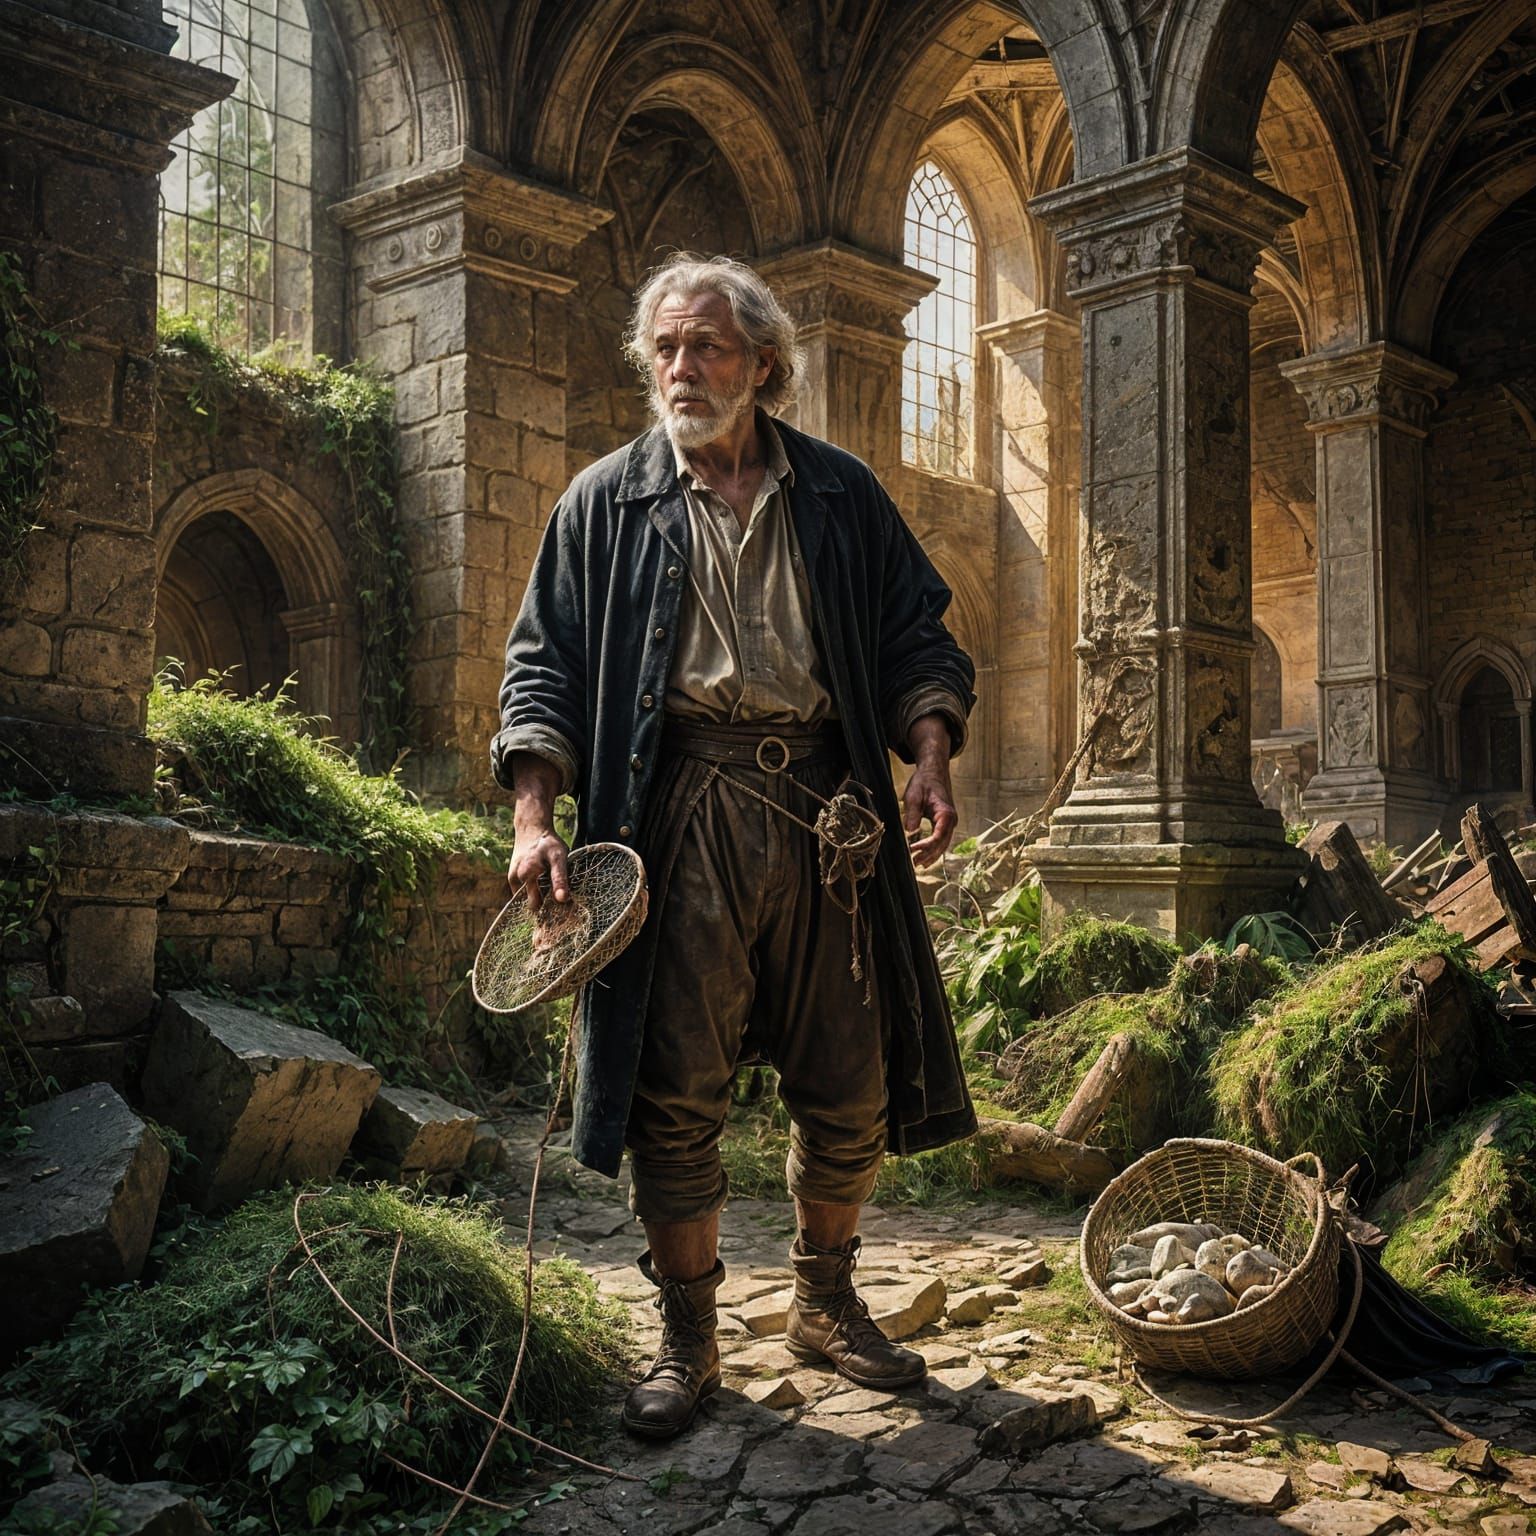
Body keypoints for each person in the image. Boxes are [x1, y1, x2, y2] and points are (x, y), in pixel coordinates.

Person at [491, 252, 976, 1440]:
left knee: (851, 1081)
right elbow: (541, 665)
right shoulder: (603, 503)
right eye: (663, 348)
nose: (680, 368)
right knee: (674, 1089)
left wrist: (926, 749)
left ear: (765, 363)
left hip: (830, 821)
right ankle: (690, 1338)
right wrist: (535, 816)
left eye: (705, 345)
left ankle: (824, 1299)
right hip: (677, 819)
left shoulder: (842, 495)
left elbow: (919, 627)